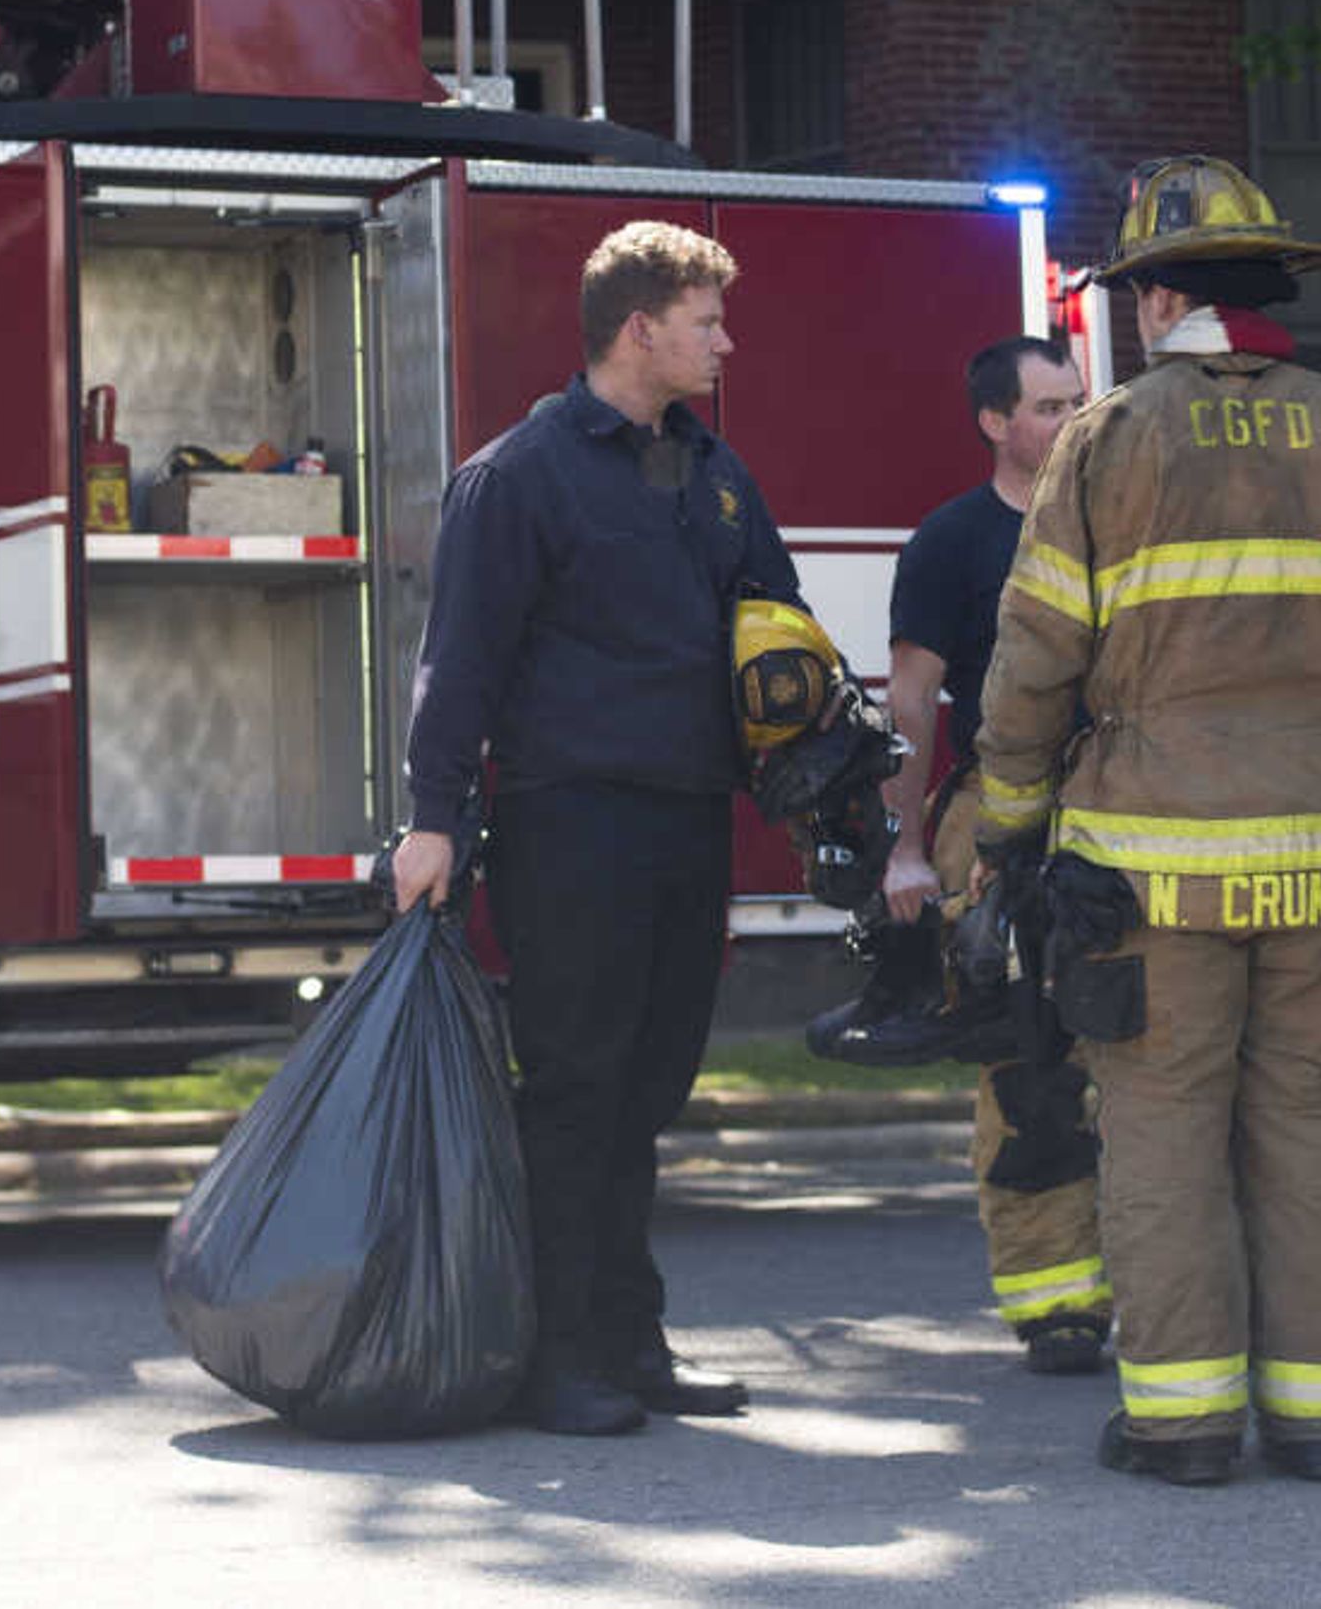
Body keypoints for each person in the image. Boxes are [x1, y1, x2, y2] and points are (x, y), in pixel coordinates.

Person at [973, 156, 1321, 1487]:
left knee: (1160, 1127)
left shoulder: (1108, 436)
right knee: (1310, 1122)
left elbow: (1035, 653)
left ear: (1153, 303)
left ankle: (1185, 1421)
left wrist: (1012, 819)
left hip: (1153, 867)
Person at [391, 219, 799, 1437]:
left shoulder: (715, 470)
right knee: (575, 1090)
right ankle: (552, 1355)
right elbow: (456, 666)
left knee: (648, 1088)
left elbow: (772, 624)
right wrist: (431, 823)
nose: (725, 341)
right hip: (571, 822)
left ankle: (631, 1342)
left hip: (686, 819)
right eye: (706, 320)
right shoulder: (518, 475)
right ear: (640, 329)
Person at [858, 334, 1111, 1373]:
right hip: (996, 826)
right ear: (995, 423)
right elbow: (911, 701)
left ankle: (1169, 1281)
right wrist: (907, 850)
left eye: (1078, 402)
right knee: (1028, 1057)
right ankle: (1056, 1302)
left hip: (1123, 811)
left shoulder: (1121, 525)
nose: (1069, 422)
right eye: (1048, 406)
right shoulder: (952, 542)